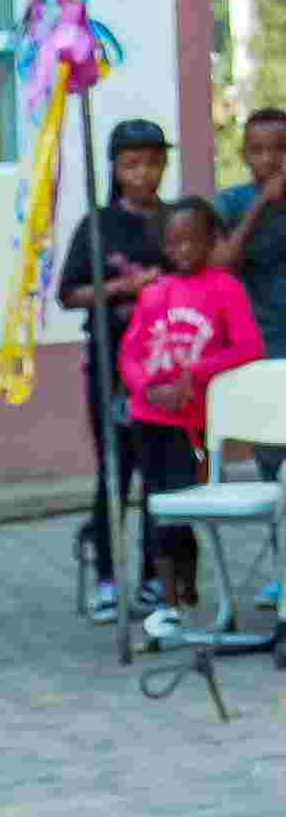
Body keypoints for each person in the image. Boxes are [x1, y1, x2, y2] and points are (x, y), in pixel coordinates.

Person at [123, 198, 266, 645]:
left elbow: (248, 348)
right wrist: (148, 387)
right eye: (174, 242)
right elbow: (130, 353)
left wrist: (195, 374)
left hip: (194, 422)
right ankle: (167, 600)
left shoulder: (225, 288)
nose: (183, 250)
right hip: (151, 416)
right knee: (157, 505)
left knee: (186, 503)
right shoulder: (154, 292)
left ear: (211, 242)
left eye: (192, 241)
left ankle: (186, 588)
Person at [64, 121, 173, 620]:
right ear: (114, 168)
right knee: (115, 469)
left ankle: (156, 576)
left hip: (167, 369)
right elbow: (69, 294)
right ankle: (108, 577)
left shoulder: (177, 220)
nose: (143, 173)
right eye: (132, 164)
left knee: (161, 475)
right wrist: (125, 289)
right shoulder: (98, 225)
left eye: (152, 162)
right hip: (111, 369)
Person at [212, 108, 286, 566]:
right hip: (264, 350)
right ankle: (280, 570)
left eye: (280, 149)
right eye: (258, 150)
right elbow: (222, 262)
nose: (270, 159)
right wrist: (262, 204)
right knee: (272, 466)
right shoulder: (233, 203)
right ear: (244, 155)